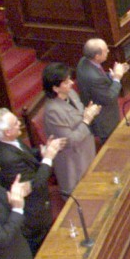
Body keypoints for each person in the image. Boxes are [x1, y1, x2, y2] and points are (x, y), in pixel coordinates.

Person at [0, 108, 63, 256]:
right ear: (7, 132)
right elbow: (35, 184)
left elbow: (26, 155)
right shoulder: (6, 157)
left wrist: (41, 152)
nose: (19, 124)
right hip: (31, 213)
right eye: (15, 123)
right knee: (41, 251)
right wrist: (48, 158)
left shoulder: (10, 140)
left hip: (39, 208)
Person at [39, 63, 99, 196]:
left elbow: (79, 113)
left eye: (70, 79)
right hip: (74, 159)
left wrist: (88, 112)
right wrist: (87, 120)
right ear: (55, 88)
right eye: (66, 82)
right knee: (82, 195)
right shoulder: (53, 111)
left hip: (86, 147)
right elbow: (70, 140)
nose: (72, 83)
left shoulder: (71, 93)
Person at [75, 38, 127, 142]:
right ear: (97, 56)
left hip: (97, 101)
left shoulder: (84, 61)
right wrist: (117, 78)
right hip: (104, 118)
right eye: (105, 50)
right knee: (112, 142)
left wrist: (110, 76)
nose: (108, 51)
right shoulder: (93, 77)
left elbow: (99, 78)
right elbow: (109, 97)